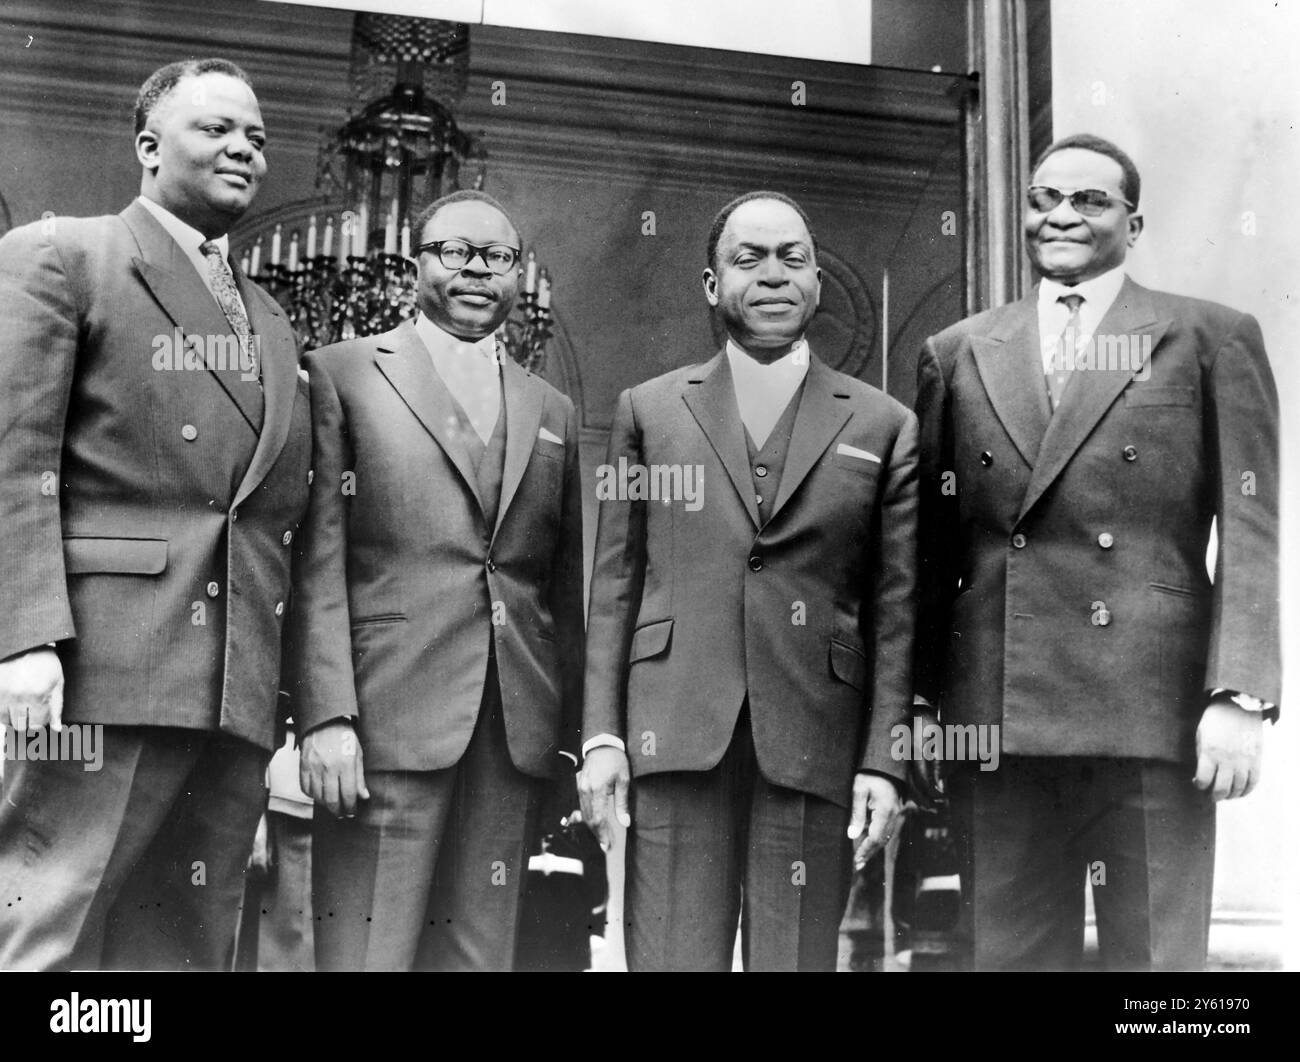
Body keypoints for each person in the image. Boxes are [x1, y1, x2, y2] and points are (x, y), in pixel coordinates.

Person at [913, 133, 1280, 971]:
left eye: (1090, 200)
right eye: (1046, 198)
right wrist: (926, 707)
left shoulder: (1208, 337)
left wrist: (1241, 695)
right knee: (1002, 958)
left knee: (1157, 973)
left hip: (1151, 708)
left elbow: (1252, 527)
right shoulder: (959, 349)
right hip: (997, 710)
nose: (1063, 216)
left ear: (1134, 221)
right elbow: (933, 553)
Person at [0, 58, 311, 969]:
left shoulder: (270, 318)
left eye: (255, 136)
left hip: (230, 688)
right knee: (47, 935)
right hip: (99, 667)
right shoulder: (66, 255)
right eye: (215, 129)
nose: (243, 149)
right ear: (147, 147)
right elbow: (14, 460)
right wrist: (21, 641)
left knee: (176, 952)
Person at [579, 190, 917, 971]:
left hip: (815, 735)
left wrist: (884, 759)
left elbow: (897, 609)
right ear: (710, 284)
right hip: (673, 731)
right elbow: (617, 582)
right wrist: (602, 735)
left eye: (793, 258)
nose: (773, 275)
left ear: (818, 284)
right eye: (749, 258)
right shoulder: (651, 411)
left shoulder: (882, 424)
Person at [291, 189, 585, 971]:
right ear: (414, 265)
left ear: (521, 277)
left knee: (479, 957)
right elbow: (318, 558)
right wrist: (326, 715)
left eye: (498, 257)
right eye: (455, 252)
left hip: (512, 729)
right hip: (383, 720)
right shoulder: (341, 374)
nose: (477, 271)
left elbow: (558, 590)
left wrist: (568, 742)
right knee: (367, 954)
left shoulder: (550, 408)